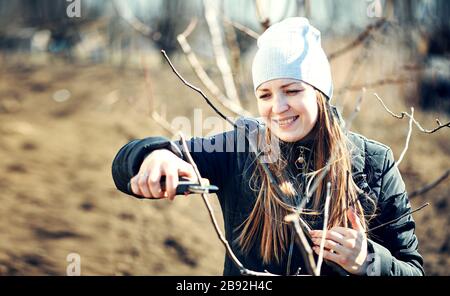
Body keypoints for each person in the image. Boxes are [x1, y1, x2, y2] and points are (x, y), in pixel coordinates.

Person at [111, 17, 424, 276]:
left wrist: (370, 261)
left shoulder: (374, 163)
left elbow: (413, 269)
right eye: (265, 95)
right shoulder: (239, 149)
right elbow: (126, 164)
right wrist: (153, 155)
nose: (279, 106)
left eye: (291, 90)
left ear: (319, 92)